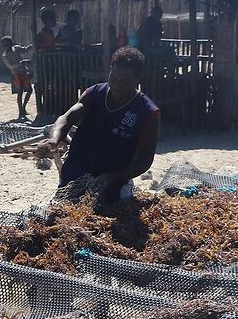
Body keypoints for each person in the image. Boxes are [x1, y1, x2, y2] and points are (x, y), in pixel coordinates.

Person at [41, 47, 160, 203]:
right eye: (114, 78)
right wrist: (54, 139)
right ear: (109, 71)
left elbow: (145, 160)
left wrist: (113, 177)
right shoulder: (94, 93)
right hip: (75, 175)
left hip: (113, 183)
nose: (116, 85)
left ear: (138, 80)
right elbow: (67, 118)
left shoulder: (148, 112)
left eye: (125, 82)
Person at [1, 36, 33, 119]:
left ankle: (23, 108)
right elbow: (11, 66)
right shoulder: (5, 55)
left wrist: (32, 45)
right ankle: (20, 111)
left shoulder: (16, 48)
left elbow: (25, 49)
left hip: (23, 72)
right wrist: (21, 63)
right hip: (16, 74)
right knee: (20, 93)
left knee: (29, 91)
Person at [33, 9, 57, 112]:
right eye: (53, 19)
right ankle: (42, 108)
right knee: (42, 85)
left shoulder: (51, 32)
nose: (55, 21)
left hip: (51, 62)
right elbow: (38, 49)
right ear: (47, 21)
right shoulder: (40, 35)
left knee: (50, 84)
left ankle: (48, 105)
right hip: (43, 63)